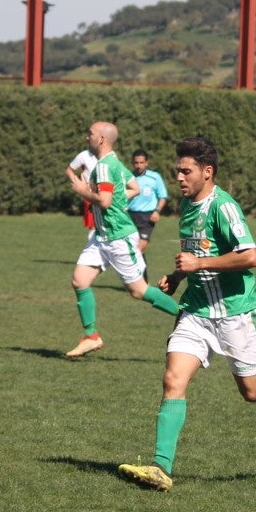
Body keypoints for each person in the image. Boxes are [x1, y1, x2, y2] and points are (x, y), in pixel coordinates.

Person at [118, 136, 256, 491]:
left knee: (253, 392)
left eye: (185, 171)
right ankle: (161, 468)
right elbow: (194, 252)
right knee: (173, 380)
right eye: (177, 170)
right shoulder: (187, 205)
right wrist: (179, 275)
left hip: (235, 314)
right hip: (196, 310)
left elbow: (250, 256)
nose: (179, 176)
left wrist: (198, 263)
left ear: (207, 172)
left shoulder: (224, 207)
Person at [63, 121, 180, 358]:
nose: (87, 138)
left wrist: (82, 190)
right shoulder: (113, 163)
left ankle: (189, 317)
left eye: (91, 134)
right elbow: (132, 188)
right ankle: (91, 336)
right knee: (79, 280)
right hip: (102, 236)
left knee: (139, 291)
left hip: (118, 238)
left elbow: (104, 201)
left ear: (102, 139)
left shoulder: (106, 166)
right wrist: (115, 199)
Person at [127, 149, 168, 254]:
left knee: (140, 248)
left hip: (147, 217)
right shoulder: (128, 177)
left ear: (146, 163)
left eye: (141, 163)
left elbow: (163, 196)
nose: (139, 165)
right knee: (131, 249)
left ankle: (137, 269)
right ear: (133, 163)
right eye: (136, 163)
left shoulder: (154, 177)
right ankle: (140, 270)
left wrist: (157, 211)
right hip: (130, 216)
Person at [68, 147, 99, 240]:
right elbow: (69, 170)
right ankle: (92, 251)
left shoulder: (110, 154)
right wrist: (80, 186)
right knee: (93, 227)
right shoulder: (84, 155)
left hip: (105, 194)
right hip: (89, 196)